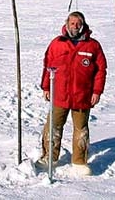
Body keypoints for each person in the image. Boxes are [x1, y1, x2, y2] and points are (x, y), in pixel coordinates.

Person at [37, 11, 107, 176]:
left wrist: (97, 91)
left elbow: (100, 71)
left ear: (83, 25)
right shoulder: (57, 43)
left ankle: (79, 162)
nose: (75, 26)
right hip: (60, 94)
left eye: (78, 23)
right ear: (67, 24)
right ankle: (49, 157)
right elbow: (47, 65)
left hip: (82, 96)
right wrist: (46, 87)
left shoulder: (92, 46)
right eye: (72, 23)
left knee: (80, 129)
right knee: (53, 126)